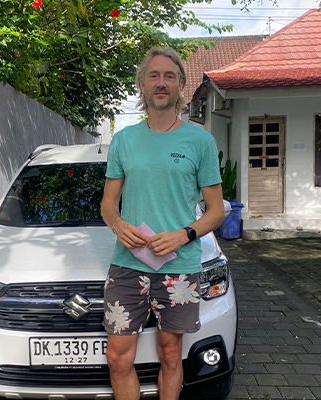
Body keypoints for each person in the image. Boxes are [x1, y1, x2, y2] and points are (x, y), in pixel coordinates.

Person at [100, 46, 225, 400]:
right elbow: (108, 204)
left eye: (169, 76)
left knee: (171, 354)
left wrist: (183, 236)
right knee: (117, 358)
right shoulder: (123, 140)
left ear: (180, 84)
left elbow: (216, 210)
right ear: (141, 84)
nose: (161, 82)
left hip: (179, 267)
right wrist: (118, 225)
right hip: (128, 265)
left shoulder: (200, 141)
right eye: (153, 75)